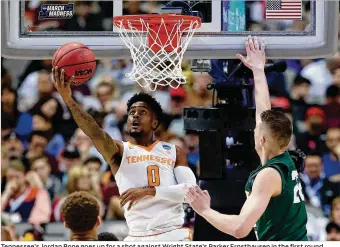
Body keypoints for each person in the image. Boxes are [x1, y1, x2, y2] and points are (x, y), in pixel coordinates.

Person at [52, 66, 197, 241]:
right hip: (137, 236)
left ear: (154, 122)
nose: (135, 116)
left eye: (142, 112)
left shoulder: (174, 151)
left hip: (172, 234)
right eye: (131, 113)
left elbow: (191, 192)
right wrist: (69, 100)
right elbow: (95, 132)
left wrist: (149, 191)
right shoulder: (120, 151)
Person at [185, 36, 308, 241]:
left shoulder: (268, 175)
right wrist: (258, 70)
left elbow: (240, 229)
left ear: (261, 140)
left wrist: (204, 210)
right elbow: (263, 109)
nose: (253, 130)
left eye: (257, 130)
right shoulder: (283, 157)